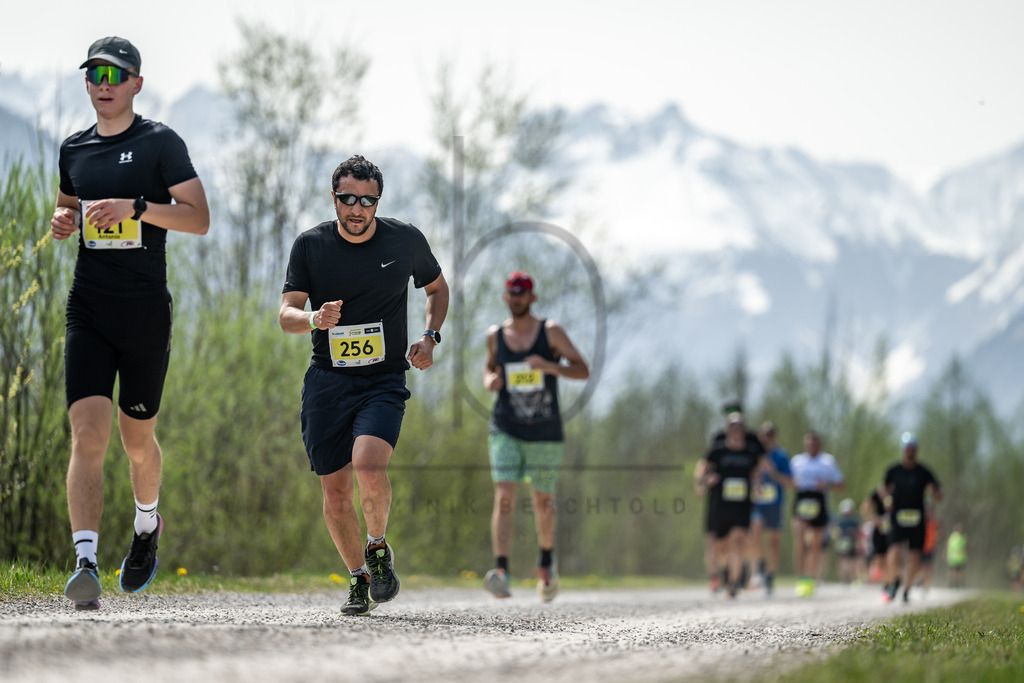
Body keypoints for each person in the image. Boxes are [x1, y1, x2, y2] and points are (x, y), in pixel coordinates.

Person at [52, 37, 210, 610]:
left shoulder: (160, 142)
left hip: (144, 313)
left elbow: (199, 218)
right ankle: (86, 562)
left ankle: (147, 525)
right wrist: (63, 221)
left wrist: (138, 208)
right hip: (88, 309)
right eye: (94, 72)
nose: (104, 81)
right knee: (87, 435)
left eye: (115, 74)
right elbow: (69, 206)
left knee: (136, 443)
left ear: (137, 83)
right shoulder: (73, 148)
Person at [279, 155, 448, 616]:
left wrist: (430, 337)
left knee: (369, 468)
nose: (357, 209)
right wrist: (313, 318)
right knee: (334, 494)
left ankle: (377, 547)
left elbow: (437, 289)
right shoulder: (310, 246)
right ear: (334, 198)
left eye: (367, 201)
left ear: (378, 202)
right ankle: (357, 578)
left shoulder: (405, 239)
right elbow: (286, 314)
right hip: (327, 383)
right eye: (348, 199)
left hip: (383, 379)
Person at [482, 271, 590, 602]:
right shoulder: (495, 335)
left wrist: (549, 366)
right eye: (511, 293)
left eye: (522, 293)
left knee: (542, 501)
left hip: (544, 430)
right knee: (504, 495)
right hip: (505, 426)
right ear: (505, 297)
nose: (516, 298)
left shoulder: (551, 331)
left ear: (532, 297)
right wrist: (490, 381)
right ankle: (501, 570)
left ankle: (546, 562)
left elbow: (582, 369)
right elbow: (488, 368)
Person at [694, 414, 774, 598]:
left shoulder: (750, 453)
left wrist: (758, 485)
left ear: (744, 431)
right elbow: (703, 469)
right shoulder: (718, 451)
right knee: (720, 546)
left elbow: (756, 473)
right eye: (733, 428)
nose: (736, 432)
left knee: (737, 541)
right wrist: (705, 480)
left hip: (742, 505)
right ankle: (724, 571)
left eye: (740, 428)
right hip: (720, 505)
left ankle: (733, 584)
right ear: (728, 430)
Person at [882, 432, 942, 604]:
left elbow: (938, 493)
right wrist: (887, 499)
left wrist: (934, 493)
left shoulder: (924, 471)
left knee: (915, 555)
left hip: (917, 519)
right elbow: (883, 488)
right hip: (898, 517)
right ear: (903, 450)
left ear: (916, 450)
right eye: (907, 448)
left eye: (913, 449)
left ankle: (907, 590)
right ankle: (895, 579)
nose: (910, 451)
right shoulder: (893, 470)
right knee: (893, 551)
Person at [788, 431, 844, 598]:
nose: (811, 445)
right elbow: (788, 481)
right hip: (802, 499)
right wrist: (792, 483)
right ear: (805, 444)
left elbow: (840, 484)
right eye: (808, 442)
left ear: (819, 444)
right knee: (800, 542)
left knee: (815, 545)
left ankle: (810, 579)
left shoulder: (827, 461)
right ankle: (800, 579)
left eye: (814, 442)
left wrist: (826, 485)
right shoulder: (796, 461)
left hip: (819, 500)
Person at [748, 421, 791, 596]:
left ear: (774, 437)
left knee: (774, 540)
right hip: (757, 503)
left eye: (770, 435)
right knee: (755, 529)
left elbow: (790, 482)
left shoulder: (781, 456)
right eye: (764, 435)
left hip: (775, 502)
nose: (767, 438)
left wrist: (773, 473)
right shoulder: (752, 454)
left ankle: (770, 574)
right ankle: (757, 567)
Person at [861, 483, 892, 586]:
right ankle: (876, 580)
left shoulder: (897, 493)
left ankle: (889, 582)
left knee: (890, 557)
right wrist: (875, 520)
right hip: (879, 531)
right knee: (878, 558)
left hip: (893, 532)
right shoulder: (875, 495)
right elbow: (864, 511)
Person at [834, 498, 861, 584]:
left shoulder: (841, 520)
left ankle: (846, 577)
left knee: (846, 559)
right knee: (847, 560)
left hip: (845, 541)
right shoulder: (853, 520)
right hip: (847, 542)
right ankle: (846, 577)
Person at [945, 524, 967, 589]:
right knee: (958, 571)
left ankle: (952, 583)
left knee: (952, 570)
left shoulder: (951, 537)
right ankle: (957, 583)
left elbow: (947, 546)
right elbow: (965, 547)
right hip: (959, 557)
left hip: (952, 557)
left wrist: (945, 553)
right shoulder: (962, 537)